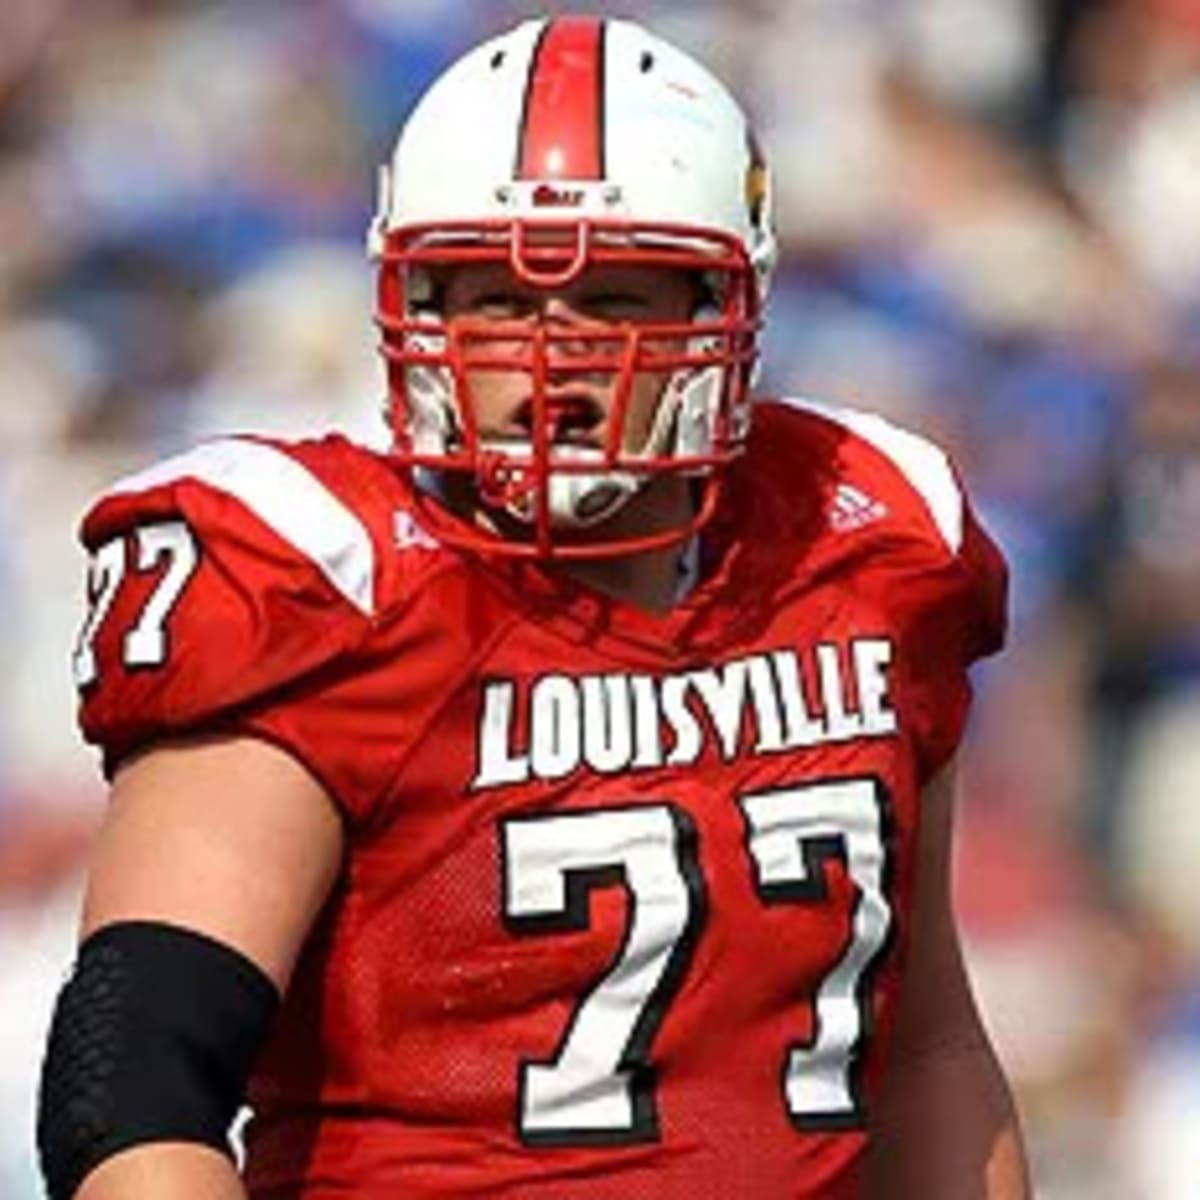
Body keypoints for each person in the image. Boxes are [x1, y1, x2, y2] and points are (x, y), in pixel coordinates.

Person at [36, 14, 1031, 1199]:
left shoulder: (864, 541)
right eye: (500, 303)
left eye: (615, 303)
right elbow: (134, 1088)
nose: (552, 368)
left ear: (725, 311)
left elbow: (926, 1051)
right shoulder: (327, 579)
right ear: (417, 301)